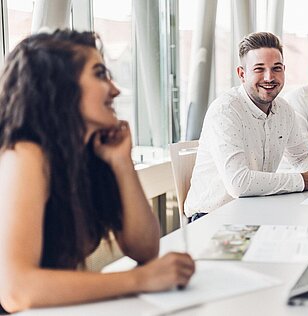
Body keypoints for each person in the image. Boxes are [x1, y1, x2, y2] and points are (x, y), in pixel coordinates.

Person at [0, 29, 194, 313]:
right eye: (100, 74)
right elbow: (16, 291)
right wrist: (139, 280)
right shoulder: (25, 154)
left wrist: (121, 163)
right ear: (60, 86)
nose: (115, 89)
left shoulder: (89, 154)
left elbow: (144, 250)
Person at [184, 32, 308, 220]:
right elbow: (239, 183)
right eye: (259, 69)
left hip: (254, 209)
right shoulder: (225, 111)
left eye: (276, 68)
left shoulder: (284, 110)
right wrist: (307, 180)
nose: (269, 77)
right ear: (242, 74)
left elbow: (301, 156)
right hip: (211, 217)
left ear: (284, 70)